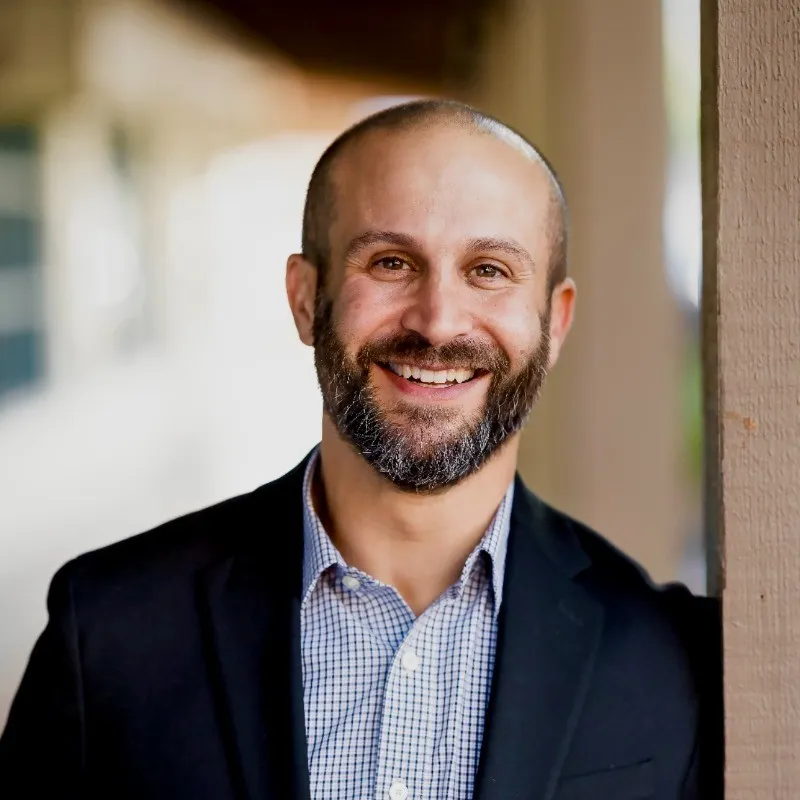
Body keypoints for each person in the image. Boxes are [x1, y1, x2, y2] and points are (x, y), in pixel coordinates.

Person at [0, 100, 721, 799]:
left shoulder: (670, 657)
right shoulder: (106, 631)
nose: (438, 322)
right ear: (307, 298)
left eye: (489, 271)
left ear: (554, 322)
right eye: (390, 263)